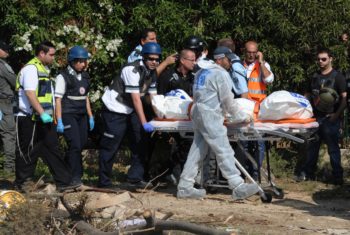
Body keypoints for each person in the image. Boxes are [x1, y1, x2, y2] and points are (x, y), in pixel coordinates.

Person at [177, 48, 260, 200]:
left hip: (198, 112)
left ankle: (184, 186)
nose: (230, 63)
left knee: (197, 150)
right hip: (210, 115)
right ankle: (237, 185)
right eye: (229, 60)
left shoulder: (202, 72)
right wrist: (243, 116)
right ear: (221, 59)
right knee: (224, 149)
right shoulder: (220, 74)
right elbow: (228, 102)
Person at [14, 41, 78, 192]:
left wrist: (51, 115)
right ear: (41, 54)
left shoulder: (43, 69)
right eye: (51, 54)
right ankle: (23, 182)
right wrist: (42, 113)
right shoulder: (31, 69)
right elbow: (30, 93)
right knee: (27, 150)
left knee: (52, 148)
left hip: (43, 118)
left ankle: (64, 181)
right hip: (29, 117)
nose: (53, 57)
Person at [98, 42, 161, 189]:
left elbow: (153, 97)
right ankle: (104, 182)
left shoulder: (152, 72)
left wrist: (160, 117)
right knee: (111, 146)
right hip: (115, 107)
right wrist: (144, 121)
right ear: (144, 57)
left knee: (141, 141)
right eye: (151, 59)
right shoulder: (131, 69)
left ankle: (135, 178)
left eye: (157, 59)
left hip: (131, 108)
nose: (154, 62)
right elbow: (136, 98)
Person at [298, 48, 346, 185]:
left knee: (333, 149)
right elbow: (307, 95)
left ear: (331, 59)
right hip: (314, 119)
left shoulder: (338, 77)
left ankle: (338, 177)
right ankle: (307, 174)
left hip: (330, 119)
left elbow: (344, 99)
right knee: (312, 147)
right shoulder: (314, 76)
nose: (320, 61)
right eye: (318, 59)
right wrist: (303, 111)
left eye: (323, 59)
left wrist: (336, 116)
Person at [55, 45, 94, 186]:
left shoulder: (85, 76)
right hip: (68, 114)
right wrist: (58, 119)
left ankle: (67, 172)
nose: (83, 64)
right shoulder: (63, 76)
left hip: (82, 114)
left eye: (85, 61)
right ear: (72, 61)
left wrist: (90, 116)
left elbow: (86, 97)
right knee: (75, 145)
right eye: (80, 61)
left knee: (81, 144)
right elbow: (58, 99)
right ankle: (74, 177)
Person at [242, 40, 274, 180]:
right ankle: (246, 172)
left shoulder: (262, 65)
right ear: (245, 51)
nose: (251, 55)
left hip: (258, 110)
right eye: (249, 52)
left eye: (254, 52)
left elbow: (269, 80)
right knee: (243, 143)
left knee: (259, 143)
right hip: (242, 109)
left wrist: (261, 63)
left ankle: (256, 174)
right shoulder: (237, 65)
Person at [0, 40, 16, 174]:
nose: (7, 52)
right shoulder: (2, 66)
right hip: (4, 103)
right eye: (5, 49)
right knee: (9, 134)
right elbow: (15, 81)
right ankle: (9, 168)